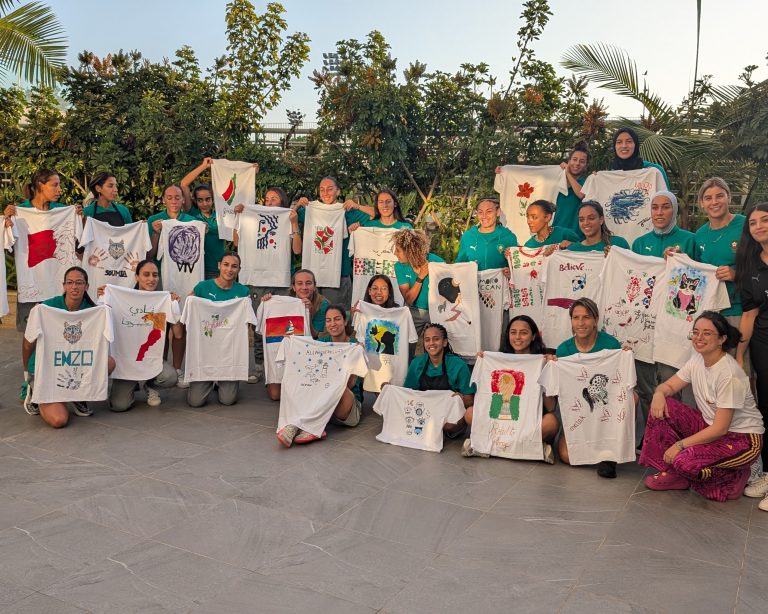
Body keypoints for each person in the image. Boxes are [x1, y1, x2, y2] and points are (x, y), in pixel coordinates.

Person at [640, 311, 764, 502]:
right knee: (663, 408)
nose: (699, 338)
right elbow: (670, 386)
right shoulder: (698, 359)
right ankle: (674, 473)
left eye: (707, 333)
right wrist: (658, 393)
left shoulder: (729, 374)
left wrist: (679, 445)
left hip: (742, 440)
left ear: (722, 339)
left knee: (685, 462)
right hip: (711, 429)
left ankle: (735, 474)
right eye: (696, 332)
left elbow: (721, 428)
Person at [21, 266, 115, 427]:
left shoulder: (94, 311)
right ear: (63, 285)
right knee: (59, 420)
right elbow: (28, 343)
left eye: (79, 283)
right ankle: (34, 392)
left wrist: (108, 300)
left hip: (76, 366)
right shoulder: (46, 308)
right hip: (48, 370)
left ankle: (76, 395)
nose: (74, 287)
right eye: (70, 282)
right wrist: (27, 372)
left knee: (109, 362)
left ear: (87, 286)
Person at [465, 315, 559, 462]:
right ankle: (531, 447)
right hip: (501, 421)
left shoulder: (541, 361)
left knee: (551, 422)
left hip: (529, 423)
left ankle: (494, 445)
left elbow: (551, 407)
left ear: (533, 336)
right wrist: (483, 362)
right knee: (470, 413)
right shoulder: (497, 360)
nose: (518, 337)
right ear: (508, 335)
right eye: (513, 332)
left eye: (524, 332)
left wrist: (547, 369)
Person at [233, 186, 301, 383]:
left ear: (282, 202)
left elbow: (296, 250)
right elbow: (237, 243)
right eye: (267, 199)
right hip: (256, 279)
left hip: (279, 280)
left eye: (275, 199)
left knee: (282, 324)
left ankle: (283, 363)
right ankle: (260, 366)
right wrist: (238, 219)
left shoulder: (287, 218)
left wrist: (294, 223)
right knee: (258, 325)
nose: (270, 202)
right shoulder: (251, 216)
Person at [553, 298, 624, 478]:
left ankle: (610, 451)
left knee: (633, 398)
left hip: (604, 405)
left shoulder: (611, 345)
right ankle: (592, 448)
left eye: (586, 317)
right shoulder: (563, 350)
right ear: (571, 321)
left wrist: (625, 356)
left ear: (595, 320)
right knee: (567, 456)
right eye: (576, 318)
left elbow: (620, 383)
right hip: (579, 410)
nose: (581, 323)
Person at [104, 260, 183, 411]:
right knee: (119, 406)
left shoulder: (163, 301)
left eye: (155, 275)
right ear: (137, 277)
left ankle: (149, 385)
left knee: (171, 377)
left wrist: (175, 308)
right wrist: (105, 295)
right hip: (126, 362)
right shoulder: (121, 298)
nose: (151, 279)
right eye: (146, 275)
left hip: (150, 359)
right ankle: (130, 385)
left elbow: (178, 334)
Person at [4, 169, 74, 333]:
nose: (60, 190)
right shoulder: (19, 213)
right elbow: (8, 249)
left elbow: (78, 246)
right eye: (55, 185)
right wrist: (7, 222)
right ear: (40, 185)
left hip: (58, 291)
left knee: (58, 337)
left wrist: (79, 218)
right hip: (31, 289)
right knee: (31, 338)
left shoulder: (64, 211)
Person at [186, 252, 251, 408]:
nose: (229, 269)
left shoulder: (243, 292)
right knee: (195, 402)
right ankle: (206, 381)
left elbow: (249, 324)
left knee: (228, 400)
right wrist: (185, 301)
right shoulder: (202, 287)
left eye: (234, 266)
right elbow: (189, 314)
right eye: (226, 264)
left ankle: (221, 381)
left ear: (239, 269)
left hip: (229, 355)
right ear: (219, 265)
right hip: (205, 354)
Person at [735, 203, 768, 498]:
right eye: (753, 223)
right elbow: (749, 314)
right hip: (762, 343)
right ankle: (767, 473)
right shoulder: (751, 265)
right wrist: (739, 354)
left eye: (765, 220)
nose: (759, 226)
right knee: (765, 406)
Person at [294, 176, 370, 307]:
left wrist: (357, 205)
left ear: (338, 191)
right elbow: (288, 217)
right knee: (311, 317)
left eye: (330, 189)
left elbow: (376, 214)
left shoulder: (346, 211)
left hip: (339, 275)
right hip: (313, 277)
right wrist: (297, 205)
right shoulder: (309, 210)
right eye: (322, 189)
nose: (325, 193)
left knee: (336, 317)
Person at [694, 177, 746, 357]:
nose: (714, 202)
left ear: (729, 197)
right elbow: (694, 272)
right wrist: (672, 256)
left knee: (741, 371)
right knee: (714, 370)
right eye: (708, 198)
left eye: (719, 196)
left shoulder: (746, 225)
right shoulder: (699, 235)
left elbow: (761, 263)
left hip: (740, 311)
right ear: (701, 203)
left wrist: (737, 274)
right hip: (711, 314)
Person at [402, 323, 475, 438]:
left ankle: (432, 429)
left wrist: (461, 398)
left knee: (449, 425)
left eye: (436, 339)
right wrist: (390, 390)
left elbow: (470, 401)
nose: (431, 343)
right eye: (427, 340)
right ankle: (430, 428)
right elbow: (407, 394)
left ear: (445, 342)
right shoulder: (417, 363)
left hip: (451, 418)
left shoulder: (458, 365)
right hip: (425, 414)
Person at [393, 228, 445, 355]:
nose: (395, 253)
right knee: (405, 348)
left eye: (398, 250)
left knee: (440, 347)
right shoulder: (399, 266)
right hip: (414, 310)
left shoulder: (437, 262)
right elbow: (409, 299)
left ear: (410, 251)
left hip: (437, 311)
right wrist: (420, 277)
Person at [316, 304, 364, 432]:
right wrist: (291, 342)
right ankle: (304, 424)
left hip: (345, 405)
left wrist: (358, 357)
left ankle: (314, 423)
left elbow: (351, 384)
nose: (333, 324)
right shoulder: (321, 343)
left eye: (337, 319)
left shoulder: (355, 346)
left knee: (338, 386)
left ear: (345, 320)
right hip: (324, 402)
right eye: (328, 320)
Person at [456, 198, 517, 273]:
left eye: (489, 211)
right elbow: (460, 265)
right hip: (473, 284)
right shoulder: (468, 237)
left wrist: (511, 273)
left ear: (498, 212)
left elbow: (516, 267)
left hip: (500, 284)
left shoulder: (509, 237)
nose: (484, 216)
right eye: (480, 212)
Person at [631, 191, 696, 258]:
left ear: (674, 210)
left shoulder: (691, 240)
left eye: (665, 207)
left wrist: (682, 258)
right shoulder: (639, 244)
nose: (659, 213)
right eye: (655, 208)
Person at [146, 184, 196, 261]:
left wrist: (202, 230)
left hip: (184, 270)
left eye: (177, 198)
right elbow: (148, 256)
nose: (174, 202)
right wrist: (155, 234)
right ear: (163, 200)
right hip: (160, 271)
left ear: (183, 199)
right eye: (169, 198)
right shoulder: (153, 220)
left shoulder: (192, 221)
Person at [554, 142, 590, 237]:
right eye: (574, 159)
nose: (577, 163)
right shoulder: (556, 181)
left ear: (586, 166)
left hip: (576, 236)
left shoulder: (586, 183)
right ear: (568, 161)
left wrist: (568, 173)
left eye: (582, 161)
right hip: (555, 234)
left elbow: (581, 194)